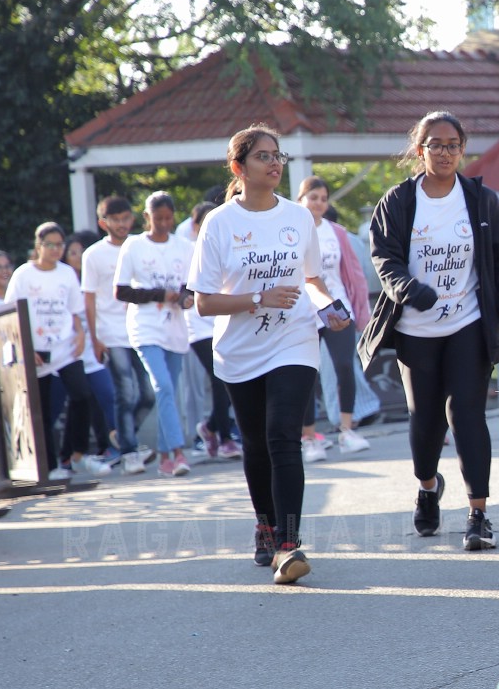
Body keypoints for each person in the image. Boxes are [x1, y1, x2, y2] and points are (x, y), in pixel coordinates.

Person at [188, 123, 349, 584]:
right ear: (239, 168)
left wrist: (328, 308)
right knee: (256, 444)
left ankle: (288, 543)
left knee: (283, 435)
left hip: (293, 341)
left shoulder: (299, 218)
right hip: (239, 350)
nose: (275, 163)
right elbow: (203, 301)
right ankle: (264, 524)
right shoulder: (220, 223)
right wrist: (258, 300)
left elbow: (312, 281)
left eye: (278, 155)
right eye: (264, 156)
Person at [359, 111, 499, 551]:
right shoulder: (399, 201)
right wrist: (409, 289)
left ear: (462, 149)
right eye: (435, 144)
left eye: (452, 144)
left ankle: (478, 513)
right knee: (424, 421)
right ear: (419, 150)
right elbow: (385, 257)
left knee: (467, 416)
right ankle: (428, 487)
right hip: (415, 328)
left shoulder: (480, 199)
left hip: (468, 324)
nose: (444, 152)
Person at [4, 223, 106, 480]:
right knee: (45, 411)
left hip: (65, 346)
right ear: (39, 246)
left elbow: (74, 310)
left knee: (82, 394)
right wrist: (24, 347)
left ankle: (78, 454)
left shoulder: (67, 273)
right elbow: (10, 315)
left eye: (60, 245)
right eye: (50, 245)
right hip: (36, 350)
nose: (56, 250)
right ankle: (50, 467)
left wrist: (81, 334)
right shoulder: (23, 275)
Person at [116, 192, 195, 478]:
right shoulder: (134, 246)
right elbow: (122, 290)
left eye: (168, 218)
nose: (163, 223)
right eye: (157, 218)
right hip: (145, 327)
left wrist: (185, 298)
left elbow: (191, 286)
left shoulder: (184, 247)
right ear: (147, 217)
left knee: (169, 392)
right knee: (162, 386)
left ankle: (163, 457)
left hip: (174, 327)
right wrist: (160, 294)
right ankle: (177, 452)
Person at [296, 177, 372, 461]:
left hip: (336, 306)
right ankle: (309, 437)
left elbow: (353, 274)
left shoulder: (336, 232)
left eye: (323, 198)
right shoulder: (292, 232)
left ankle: (347, 430)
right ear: (301, 199)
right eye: (313, 197)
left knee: (344, 365)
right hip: (303, 311)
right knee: (307, 373)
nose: (318, 203)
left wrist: (361, 312)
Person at [82, 196, 155, 475]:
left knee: (148, 393)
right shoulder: (93, 255)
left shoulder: (138, 246)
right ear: (104, 223)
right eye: (116, 219)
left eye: (126, 218)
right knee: (125, 392)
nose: (122, 224)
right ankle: (129, 452)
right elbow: (88, 300)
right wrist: (95, 337)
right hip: (111, 333)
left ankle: (125, 437)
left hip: (140, 328)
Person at [56, 232, 119, 470]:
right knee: (77, 403)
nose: (78, 257)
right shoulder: (61, 278)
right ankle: (68, 457)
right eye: (72, 252)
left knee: (108, 396)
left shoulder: (91, 280)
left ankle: (114, 445)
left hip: (92, 350)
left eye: (82, 251)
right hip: (68, 352)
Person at [185, 201, 241, 461]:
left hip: (225, 320)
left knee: (230, 378)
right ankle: (226, 438)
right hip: (198, 325)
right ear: (196, 227)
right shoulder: (185, 252)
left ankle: (210, 427)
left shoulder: (231, 245)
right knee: (219, 377)